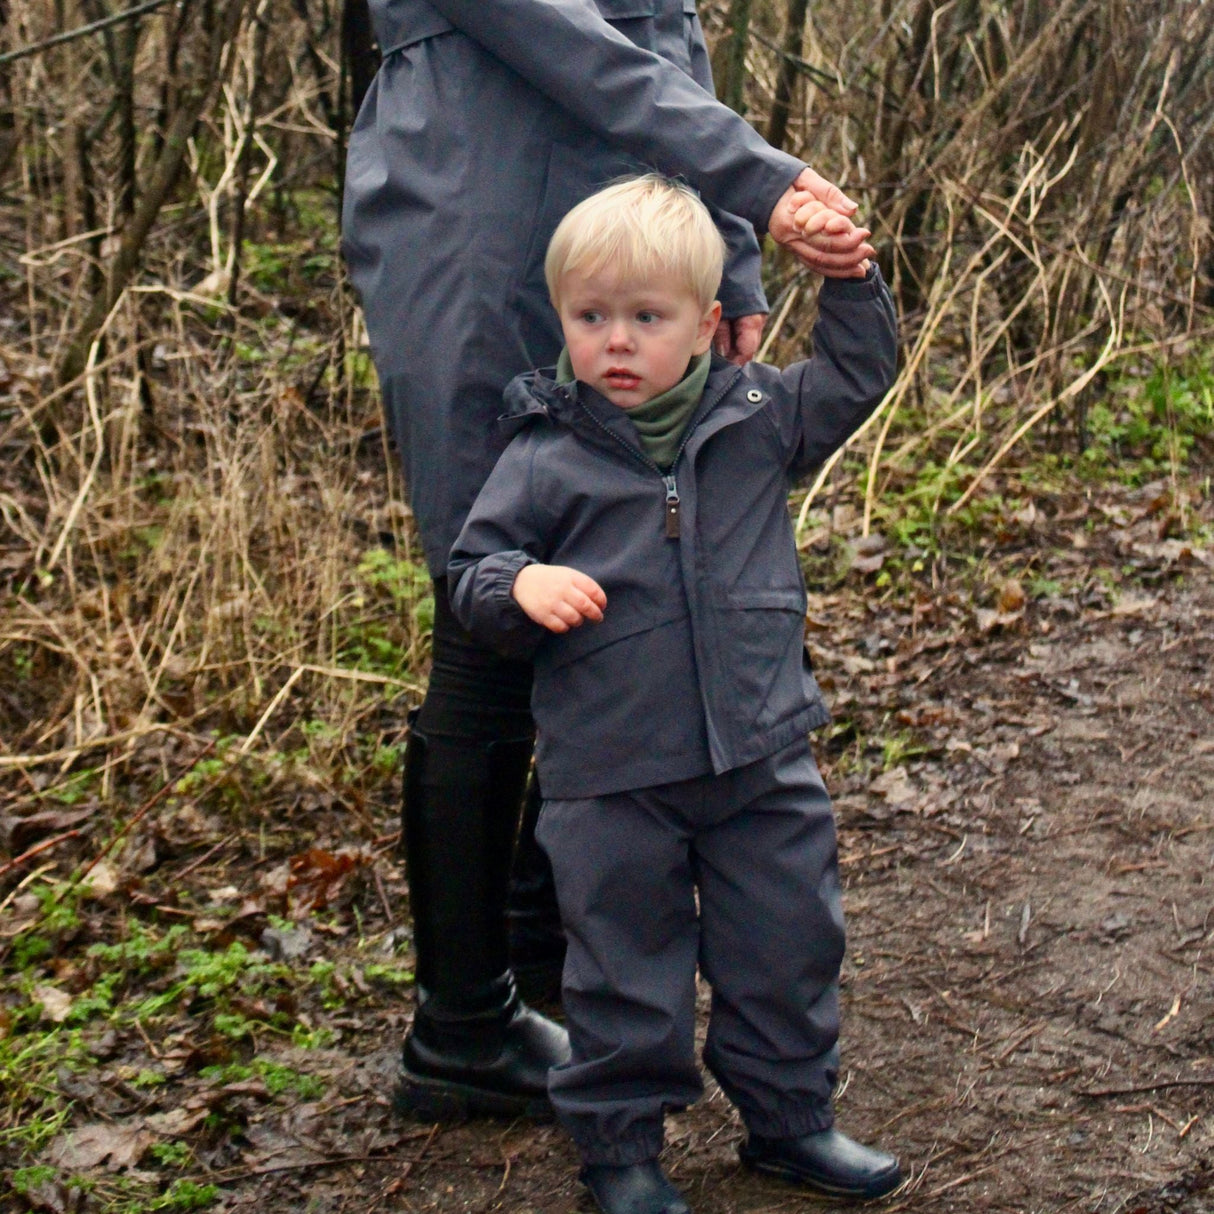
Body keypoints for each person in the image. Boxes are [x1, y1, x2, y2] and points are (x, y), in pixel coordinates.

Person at [341, 0, 875, 1122]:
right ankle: (464, 1020)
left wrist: (728, 251)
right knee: (496, 586)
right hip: (474, 193)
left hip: (633, 205)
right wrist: (759, 184)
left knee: (626, 573)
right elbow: (558, 36)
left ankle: (549, 970)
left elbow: (659, 39)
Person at [447, 175, 901, 1213]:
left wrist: (849, 278)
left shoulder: (759, 418)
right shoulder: (541, 450)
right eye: (589, 316)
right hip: (612, 776)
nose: (614, 341)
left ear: (703, 326)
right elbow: (476, 571)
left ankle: (790, 1121)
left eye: (644, 319)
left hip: (759, 751)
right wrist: (520, 582)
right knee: (621, 967)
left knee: (786, 942)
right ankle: (620, 1150)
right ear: (560, 317)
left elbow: (855, 371)